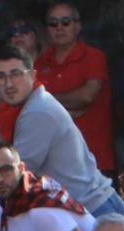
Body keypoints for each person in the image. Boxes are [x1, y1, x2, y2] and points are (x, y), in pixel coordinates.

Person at [0, 46, 124, 223]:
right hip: (79, 210)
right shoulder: (18, 110)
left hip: (95, 211)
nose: (8, 84)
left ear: (32, 76)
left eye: (16, 74)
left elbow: (13, 177)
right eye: (1, 77)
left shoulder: (38, 112)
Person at [35, 2, 113, 173]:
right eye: (53, 23)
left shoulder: (93, 56)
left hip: (94, 160)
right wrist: (68, 106)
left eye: (65, 22)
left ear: (78, 26)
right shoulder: (39, 64)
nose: (59, 28)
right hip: (54, 164)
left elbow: (86, 96)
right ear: (47, 29)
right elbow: (33, 108)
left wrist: (46, 100)